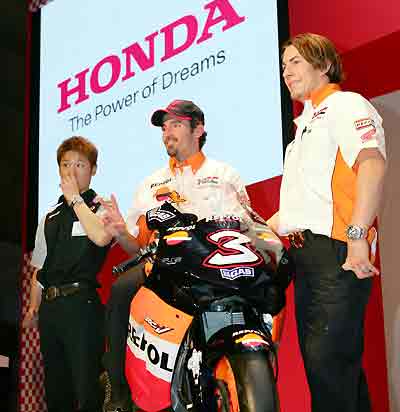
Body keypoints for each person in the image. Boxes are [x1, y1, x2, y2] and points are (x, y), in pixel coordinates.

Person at [100, 99, 251, 412]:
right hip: (161, 266)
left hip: (213, 268)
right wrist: (119, 232)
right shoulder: (149, 184)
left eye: (176, 124)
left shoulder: (224, 174)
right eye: (164, 126)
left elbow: (247, 225)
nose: (167, 131)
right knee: (121, 289)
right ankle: (118, 393)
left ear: (198, 129)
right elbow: (136, 246)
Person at [267, 33, 386, 412]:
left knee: (329, 368)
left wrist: (357, 236)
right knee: (335, 373)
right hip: (307, 259)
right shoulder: (303, 127)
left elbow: (371, 164)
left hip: (337, 252)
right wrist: (252, 228)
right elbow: (304, 205)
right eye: (284, 65)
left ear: (323, 64)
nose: (287, 72)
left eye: (296, 62)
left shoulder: (345, 105)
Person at [23, 136, 113, 412]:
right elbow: (40, 265)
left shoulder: (102, 207)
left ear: (93, 169)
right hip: (50, 309)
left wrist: (76, 200)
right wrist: (33, 308)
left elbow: (100, 238)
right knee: (56, 390)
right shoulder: (49, 214)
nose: (71, 171)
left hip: (82, 305)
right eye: (65, 164)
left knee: (87, 389)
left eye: (80, 164)